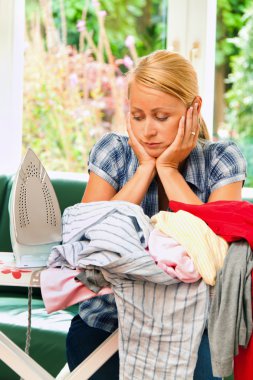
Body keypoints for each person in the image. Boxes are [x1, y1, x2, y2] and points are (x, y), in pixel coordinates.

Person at [66, 50, 246, 379]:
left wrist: (168, 169)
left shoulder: (223, 159)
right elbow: (87, 238)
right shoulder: (113, 151)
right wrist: (144, 171)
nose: (148, 130)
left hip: (195, 328)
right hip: (109, 322)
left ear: (194, 108)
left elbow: (214, 253)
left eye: (161, 117)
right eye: (137, 116)